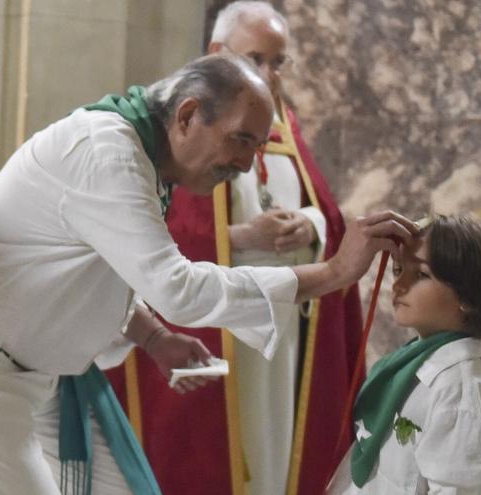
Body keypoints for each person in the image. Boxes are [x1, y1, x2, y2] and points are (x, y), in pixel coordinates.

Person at [0, 52, 419, 495]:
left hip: (35, 366)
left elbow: (95, 268)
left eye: (256, 147)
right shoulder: (107, 152)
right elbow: (177, 287)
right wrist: (331, 273)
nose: (245, 163)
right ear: (188, 114)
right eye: (240, 140)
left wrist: (153, 338)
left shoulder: (144, 157)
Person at [105, 3, 364, 494]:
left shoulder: (284, 125)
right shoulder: (188, 123)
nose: (268, 73)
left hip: (284, 326)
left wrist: (308, 226)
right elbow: (154, 237)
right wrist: (241, 238)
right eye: (257, 58)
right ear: (216, 53)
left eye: (278, 61)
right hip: (215, 320)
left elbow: (326, 212)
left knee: (276, 437)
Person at [326, 215, 481, 494]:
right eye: (398, 269)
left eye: (421, 275)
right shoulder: (409, 364)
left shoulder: (457, 390)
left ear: (469, 296)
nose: (399, 285)